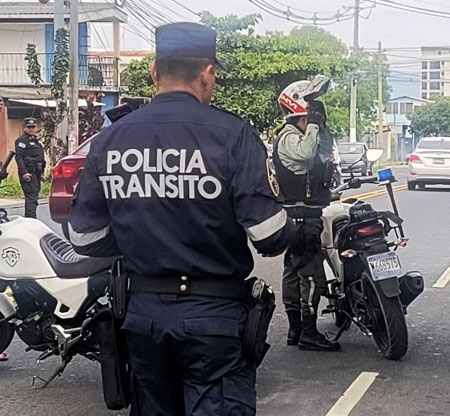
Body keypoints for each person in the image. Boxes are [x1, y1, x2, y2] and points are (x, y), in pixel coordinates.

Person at [68, 22, 292, 415]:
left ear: (155, 71)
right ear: (207, 74)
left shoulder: (110, 139)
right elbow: (268, 235)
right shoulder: (233, 135)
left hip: (142, 317)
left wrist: (138, 235)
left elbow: (84, 239)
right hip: (215, 318)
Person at [273, 76, 341, 352]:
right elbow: (306, 154)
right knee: (312, 276)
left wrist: (320, 126)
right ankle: (308, 332)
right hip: (299, 218)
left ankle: (296, 330)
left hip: (305, 214)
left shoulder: (306, 134)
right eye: (311, 105)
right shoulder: (290, 137)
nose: (315, 110)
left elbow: (323, 153)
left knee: (293, 270)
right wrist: (312, 125)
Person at [14, 118, 46, 218]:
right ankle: (31, 219)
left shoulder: (35, 140)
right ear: (25, 128)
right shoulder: (22, 140)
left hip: (36, 172)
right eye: (29, 127)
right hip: (29, 172)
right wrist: (24, 172)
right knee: (31, 197)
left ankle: (32, 217)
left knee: (35, 196)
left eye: (33, 127)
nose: (31, 129)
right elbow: (19, 157)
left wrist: (41, 171)